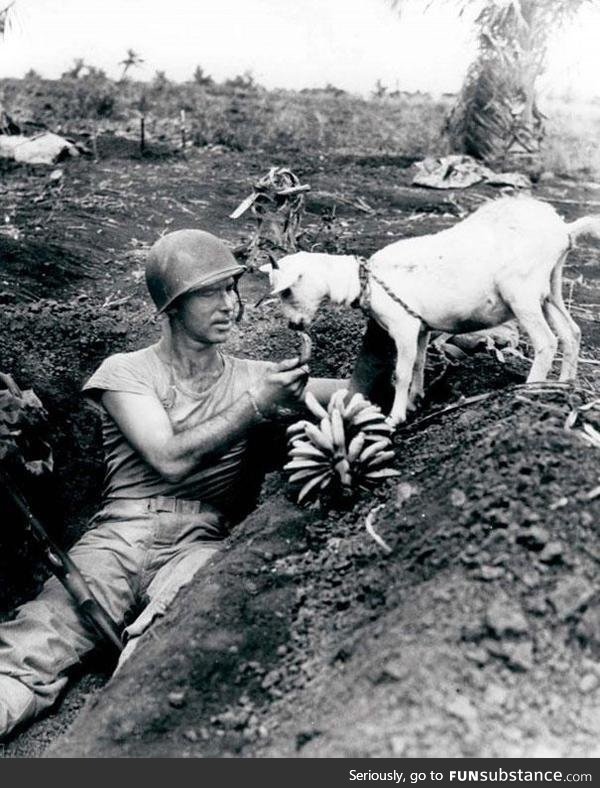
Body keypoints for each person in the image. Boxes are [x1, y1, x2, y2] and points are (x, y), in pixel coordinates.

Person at [0, 229, 343, 739]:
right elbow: (169, 458)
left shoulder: (258, 376)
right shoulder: (127, 372)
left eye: (232, 289)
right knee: (34, 644)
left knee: (176, 645)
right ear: (172, 307)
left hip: (201, 543)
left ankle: (115, 743)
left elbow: (361, 395)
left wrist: (393, 325)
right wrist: (256, 405)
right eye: (211, 292)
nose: (229, 304)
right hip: (118, 537)